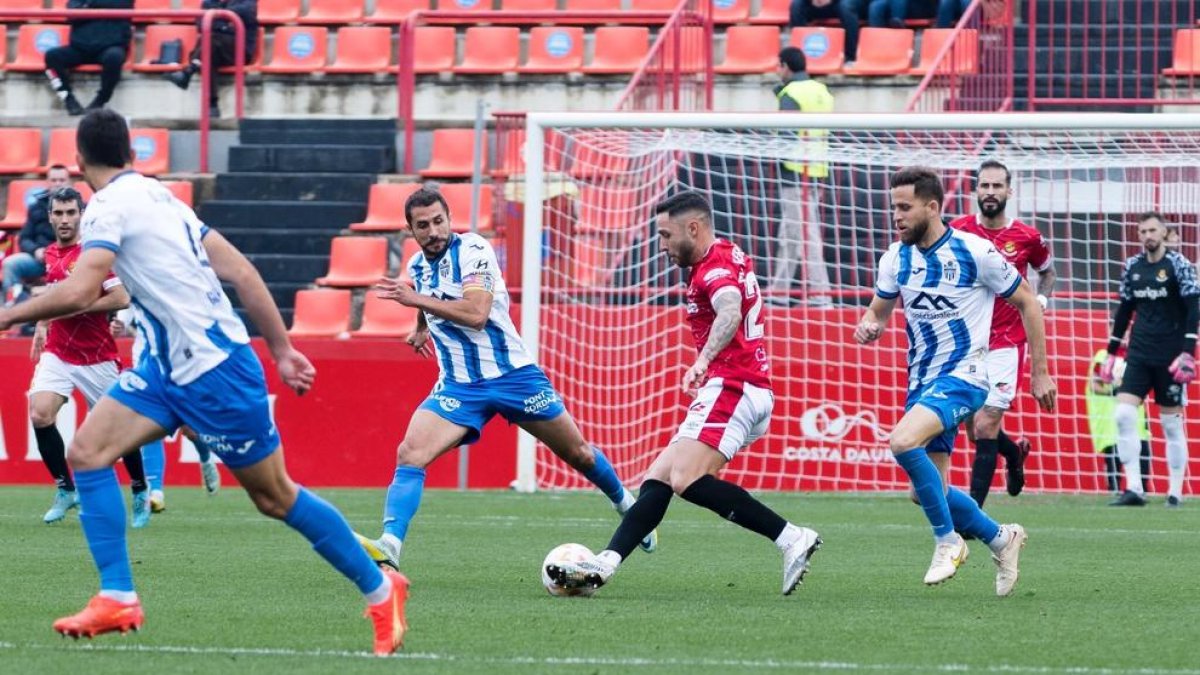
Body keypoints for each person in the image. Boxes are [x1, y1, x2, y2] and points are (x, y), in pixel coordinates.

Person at [0, 110, 407, 655]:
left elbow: (79, 292)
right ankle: (118, 594)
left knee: (275, 497)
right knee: (90, 453)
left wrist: (7, 315)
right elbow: (241, 270)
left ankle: (382, 589)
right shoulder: (162, 198)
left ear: (79, 159)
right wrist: (283, 350)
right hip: (165, 369)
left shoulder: (109, 209)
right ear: (131, 154)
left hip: (215, 371)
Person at [355, 187, 654, 572]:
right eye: (423, 225)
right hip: (460, 385)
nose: (433, 231)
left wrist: (416, 303)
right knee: (410, 453)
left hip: (513, 376)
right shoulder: (416, 267)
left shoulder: (474, 250)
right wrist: (421, 328)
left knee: (577, 452)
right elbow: (425, 295)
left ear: (449, 218)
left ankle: (627, 506)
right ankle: (390, 545)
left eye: (439, 221)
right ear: (410, 230)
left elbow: (477, 313)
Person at [545, 191, 821, 596]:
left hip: (734, 384)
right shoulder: (725, 254)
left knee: (686, 478)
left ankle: (791, 536)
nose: (661, 246)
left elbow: (729, 310)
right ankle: (605, 564)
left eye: (666, 235)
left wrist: (703, 360)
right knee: (658, 478)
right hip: (742, 385)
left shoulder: (713, 269)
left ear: (693, 228)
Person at [853, 166, 1056, 596]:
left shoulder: (975, 252)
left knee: (902, 442)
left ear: (932, 206)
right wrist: (869, 324)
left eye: (905, 208)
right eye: (894, 208)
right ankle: (1002, 537)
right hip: (922, 382)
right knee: (926, 491)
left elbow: (1028, 304)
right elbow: (878, 311)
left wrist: (1040, 371)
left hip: (965, 376)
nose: (897, 216)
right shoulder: (896, 258)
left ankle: (948, 541)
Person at [28, 186, 152, 528]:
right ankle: (65, 489)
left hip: (97, 357)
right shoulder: (51, 254)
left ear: (81, 214)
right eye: (59, 213)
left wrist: (79, 305)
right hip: (59, 350)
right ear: (50, 216)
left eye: (71, 212)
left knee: (121, 431)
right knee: (40, 414)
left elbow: (121, 298)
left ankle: (140, 488)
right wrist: (43, 320)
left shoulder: (93, 254)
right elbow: (57, 294)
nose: (65, 219)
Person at [949, 160, 1057, 507]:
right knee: (973, 427)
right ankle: (1013, 454)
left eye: (997, 186)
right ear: (975, 191)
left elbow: (1047, 272)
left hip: (1007, 341)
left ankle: (970, 515)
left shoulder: (1028, 237)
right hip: (967, 340)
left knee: (987, 423)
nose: (990, 192)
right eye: (985, 186)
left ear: (1009, 191)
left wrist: (1039, 299)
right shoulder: (958, 230)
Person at [1099, 213, 1198, 508]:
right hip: (1139, 354)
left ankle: (1175, 492)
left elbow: (1194, 308)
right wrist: (1111, 352)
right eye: (1142, 231)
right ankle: (1134, 489)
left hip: (1170, 357)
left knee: (1170, 424)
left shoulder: (1179, 265)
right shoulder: (1132, 266)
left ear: (1164, 232)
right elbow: (1125, 311)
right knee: (1123, 416)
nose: (1147, 235)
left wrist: (1187, 352)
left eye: (1152, 230)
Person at [111, 308, 222, 512]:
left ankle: (206, 459)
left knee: (190, 429)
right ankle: (156, 492)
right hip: (147, 367)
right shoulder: (141, 280)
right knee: (151, 426)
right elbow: (127, 305)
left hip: (183, 365)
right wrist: (120, 322)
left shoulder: (181, 287)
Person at [769, 46, 835, 309]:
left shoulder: (790, 94)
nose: (777, 71)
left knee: (805, 235)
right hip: (818, 169)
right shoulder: (822, 91)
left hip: (795, 172)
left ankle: (821, 296)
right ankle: (779, 292)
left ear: (785, 66)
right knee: (791, 234)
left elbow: (787, 136)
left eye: (778, 66)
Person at [165, 0, 258, 118]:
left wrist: (216, 23)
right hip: (215, 48)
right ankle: (212, 106)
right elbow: (200, 23)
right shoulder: (209, 2)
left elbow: (245, 12)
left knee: (210, 39)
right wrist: (225, 26)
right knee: (209, 50)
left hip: (240, 50)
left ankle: (189, 71)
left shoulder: (246, 2)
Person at [45, 0, 134, 116]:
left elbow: (122, 4)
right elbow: (71, 15)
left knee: (114, 57)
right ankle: (68, 99)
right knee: (52, 56)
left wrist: (88, 5)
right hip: (80, 48)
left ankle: (101, 100)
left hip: (110, 47)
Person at [2, 165, 73, 306]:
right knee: (11, 264)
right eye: (54, 180)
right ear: (47, 182)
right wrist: (36, 250)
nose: (58, 183)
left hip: (68, 260)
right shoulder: (37, 207)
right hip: (40, 259)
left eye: (61, 180)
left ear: (69, 181)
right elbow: (24, 238)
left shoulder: (79, 208)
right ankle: (14, 307)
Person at [1086, 348, 1152, 494]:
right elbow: (1093, 385)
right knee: (1115, 465)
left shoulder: (1137, 355)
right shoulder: (1103, 357)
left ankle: (1142, 493)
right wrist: (1114, 391)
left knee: (1143, 461)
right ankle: (1113, 492)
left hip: (1137, 422)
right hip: (1111, 425)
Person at [788, 0, 862, 65]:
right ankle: (799, 57)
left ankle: (850, 56)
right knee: (796, 5)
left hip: (838, 3)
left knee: (846, 6)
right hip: (812, 4)